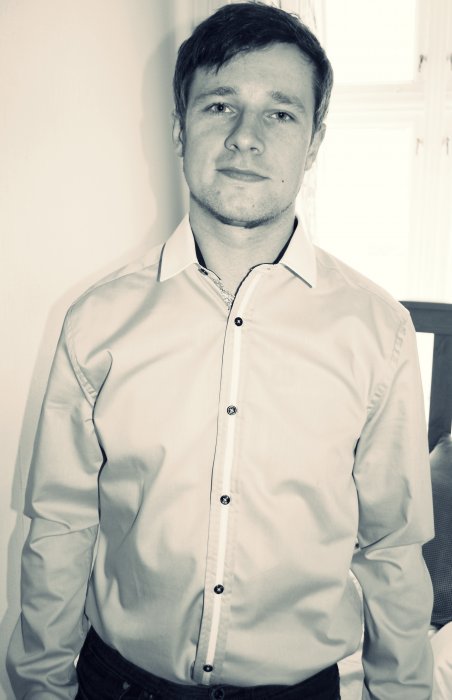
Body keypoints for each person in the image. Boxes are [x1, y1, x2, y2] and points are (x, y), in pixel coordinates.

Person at [7, 3, 435, 699]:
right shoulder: (96, 323)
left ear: (314, 142)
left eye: (281, 114)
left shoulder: (378, 331)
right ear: (181, 128)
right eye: (220, 105)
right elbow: (60, 529)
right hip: (119, 685)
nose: (245, 137)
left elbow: (391, 550)